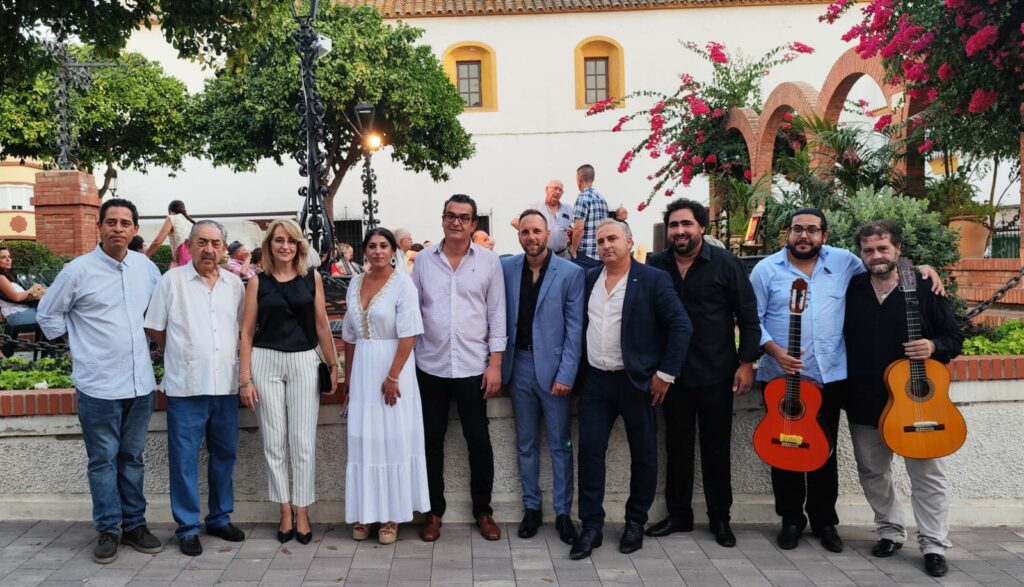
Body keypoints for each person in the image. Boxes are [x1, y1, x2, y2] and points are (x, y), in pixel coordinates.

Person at [750, 208, 945, 553]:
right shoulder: (765, 270)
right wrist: (775, 351)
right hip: (781, 376)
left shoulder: (844, 262)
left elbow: (884, 267)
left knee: (824, 452)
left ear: (824, 235)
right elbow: (753, 319)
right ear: (788, 233)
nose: (804, 236)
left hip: (829, 377)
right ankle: (791, 519)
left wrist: (920, 269)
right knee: (784, 451)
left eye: (812, 230)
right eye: (797, 229)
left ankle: (825, 521)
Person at [37, 198, 164, 564]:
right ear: (100, 226)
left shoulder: (146, 268)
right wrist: (77, 344)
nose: (118, 228)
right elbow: (47, 314)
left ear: (135, 229)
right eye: (111, 222)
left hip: (140, 384)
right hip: (98, 385)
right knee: (102, 460)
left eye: (125, 223)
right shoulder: (78, 271)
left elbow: (158, 311)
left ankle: (135, 525)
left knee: (132, 458)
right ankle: (109, 529)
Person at [844, 221, 963, 578]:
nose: (876, 256)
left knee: (927, 476)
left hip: (916, 402)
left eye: (883, 248)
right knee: (872, 471)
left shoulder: (924, 286)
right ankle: (890, 530)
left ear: (898, 249)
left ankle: (934, 544)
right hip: (866, 397)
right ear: (861, 254)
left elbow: (954, 337)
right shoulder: (853, 288)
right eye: (868, 250)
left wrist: (933, 346)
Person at [571, 219, 692, 560]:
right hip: (596, 381)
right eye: (600, 241)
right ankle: (591, 525)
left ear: (628, 241)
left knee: (644, 454)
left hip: (636, 381)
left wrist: (665, 374)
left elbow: (681, 325)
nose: (606, 245)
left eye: (612, 238)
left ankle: (635, 522)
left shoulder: (652, 279)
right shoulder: (589, 278)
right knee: (589, 452)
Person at [644, 199, 760, 547]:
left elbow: (748, 316)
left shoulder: (726, 263)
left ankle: (720, 518)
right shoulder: (655, 264)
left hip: (716, 372)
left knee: (716, 448)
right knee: (676, 447)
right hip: (671, 376)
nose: (680, 231)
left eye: (687, 224)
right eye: (674, 225)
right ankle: (679, 515)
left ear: (701, 228)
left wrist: (746, 363)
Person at [144, 220, 247, 556]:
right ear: (189, 245)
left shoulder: (235, 285)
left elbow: (241, 330)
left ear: (224, 249)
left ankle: (219, 517)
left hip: (225, 385)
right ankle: (188, 527)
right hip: (186, 387)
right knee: (184, 460)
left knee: (224, 455)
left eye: (216, 243)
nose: (209, 249)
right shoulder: (172, 281)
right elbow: (155, 328)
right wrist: (182, 351)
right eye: (202, 242)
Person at [411, 194, 506, 542]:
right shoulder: (423, 261)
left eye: (464, 217)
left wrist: (495, 364)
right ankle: (434, 513)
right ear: (442, 220)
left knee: (478, 440)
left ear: (473, 224)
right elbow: (412, 313)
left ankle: (483, 511)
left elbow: (497, 315)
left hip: (472, 367)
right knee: (430, 442)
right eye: (450, 215)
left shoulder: (489, 262)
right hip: (430, 366)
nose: (456, 222)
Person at [238, 218, 338, 545]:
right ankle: (284, 510)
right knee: (273, 440)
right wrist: (245, 378)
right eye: (279, 240)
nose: (285, 246)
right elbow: (246, 332)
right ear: (269, 245)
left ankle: (303, 510)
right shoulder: (257, 282)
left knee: (303, 441)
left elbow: (322, 324)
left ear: (299, 245)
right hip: (265, 360)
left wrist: (333, 363)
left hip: (304, 361)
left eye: (291, 241)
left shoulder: (312, 278)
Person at [340, 228, 430, 545]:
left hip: (394, 369)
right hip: (363, 370)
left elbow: (409, 334)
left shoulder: (403, 284)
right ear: (364, 250)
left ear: (393, 251)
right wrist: (348, 381)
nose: (377, 251)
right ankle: (367, 512)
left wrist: (392, 377)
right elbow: (350, 336)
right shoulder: (354, 283)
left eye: (383, 246)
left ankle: (392, 515)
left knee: (392, 439)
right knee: (364, 439)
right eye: (372, 246)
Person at [501, 209, 584, 545]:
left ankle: (563, 513)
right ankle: (531, 508)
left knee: (561, 444)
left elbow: (575, 328)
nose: (531, 237)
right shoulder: (506, 268)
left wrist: (567, 373)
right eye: (525, 232)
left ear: (548, 233)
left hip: (554, 371)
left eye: (536, 231)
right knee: (526, 443)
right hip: (518, 365)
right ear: (519, 235)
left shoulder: (570, 273)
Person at [509, 180, 574, 258]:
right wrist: (533, 232)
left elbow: (578, 227)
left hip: (563, 255)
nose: (557, 192)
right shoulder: (535, 206)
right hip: (542, 255)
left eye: (560, 190)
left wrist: (572, 235)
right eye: (555, 188)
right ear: (546, 189)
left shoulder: (568, 209)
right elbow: (514, 221)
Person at [0, 246, 46, 355]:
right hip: (17, 314)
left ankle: (52, 354)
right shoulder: (1, 278)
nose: (8, 259)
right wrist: (31, 290)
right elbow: (16, 297)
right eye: (3, 257)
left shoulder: (7, 277)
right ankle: (54, 353)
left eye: (9, 256)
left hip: (22, 311)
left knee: (54, 313)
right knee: (53, 316)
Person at [570, 164, 609, 268]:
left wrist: (573, 250)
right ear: (593, 178)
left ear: (579, 179)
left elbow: (579, 228)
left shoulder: (582, 198)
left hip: (585, 256)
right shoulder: (602, 199)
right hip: (601, 255)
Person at [146, 200, 196, 267]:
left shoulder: (172, 218)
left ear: (170, 211)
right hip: (194, 258)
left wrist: (145, 256)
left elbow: (157, 241)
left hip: (182, 258)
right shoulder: (190, 222)